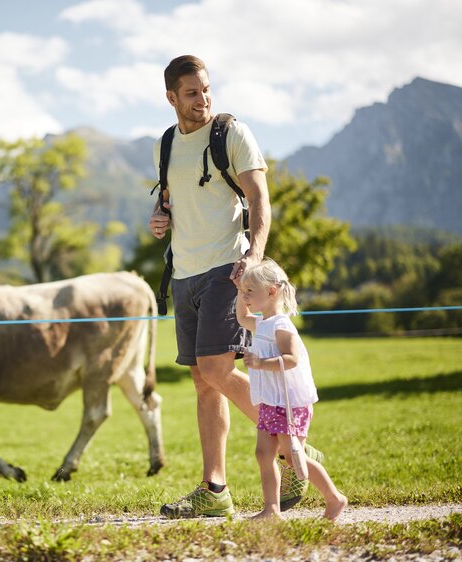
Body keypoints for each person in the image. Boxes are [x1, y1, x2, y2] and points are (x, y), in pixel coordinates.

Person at [149, 55, 322, 519]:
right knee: (204, 382)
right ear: (171, 98)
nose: (202, 99)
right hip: (183, 274)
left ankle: (292, 448)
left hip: (228, 269)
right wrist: (160, 220)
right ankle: (215, 490)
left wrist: (254, 257)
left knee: (217, 369)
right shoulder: (165, 145)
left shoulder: (233, 134)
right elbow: (173, 201)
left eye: (206, 89)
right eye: (191, 92)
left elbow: (259, 198)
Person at [236, 258, 348, 520]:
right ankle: (271, 509)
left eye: (251, 291)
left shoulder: (281, 326)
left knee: (290, 455)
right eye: (245, 291)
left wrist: (261, 363)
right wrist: (238, 289)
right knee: (264, 453)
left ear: (272, 291)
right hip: (270, 401)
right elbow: (242, 317)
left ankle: (334, 498)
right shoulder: (261, 323)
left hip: (289, 403)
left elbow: (291, 359)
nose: (246, 296)